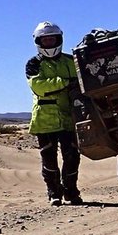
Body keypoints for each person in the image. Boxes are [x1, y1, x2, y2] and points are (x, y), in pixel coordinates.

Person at [25, 21, 83, 206]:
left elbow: (82, 81)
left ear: (59, 40)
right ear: (39, 42)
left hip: (69, 117)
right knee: (49, 159)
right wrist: (66, 82)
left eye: (52, 39)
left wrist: (59, 84)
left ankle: (71, 191)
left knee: (72, 156)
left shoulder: (70, 61)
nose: (49, 43)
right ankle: (53, 192)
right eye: (46, 40)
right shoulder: (33, 64)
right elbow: (39, 86)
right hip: (44, 120)